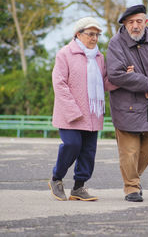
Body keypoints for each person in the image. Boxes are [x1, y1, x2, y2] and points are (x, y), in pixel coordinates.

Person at [49, 17, 128, 201]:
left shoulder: (99, 57)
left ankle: (78, 187)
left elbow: (105, 83)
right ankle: (56, 178)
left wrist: (124, 77)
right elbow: (59, 84)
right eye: (90, 34)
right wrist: (73, 110)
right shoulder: (65, 54)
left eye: (97, 35)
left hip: (93, 114)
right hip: (71, 114)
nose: (94, 38)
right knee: (72, 145)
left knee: (88, 151)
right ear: (78, 34)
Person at [106, 4, 148, 202]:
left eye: (139, 21)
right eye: (131, 22)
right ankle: (131, 187)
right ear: (125, 24)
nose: (135, 26)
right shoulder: (116, 43)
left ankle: (133, 177)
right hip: (126, 106)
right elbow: (115, 74)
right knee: (129, 150)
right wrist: (144, 81)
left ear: (146, 22)